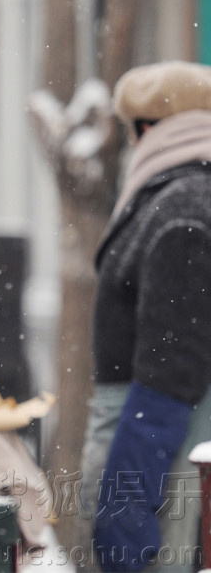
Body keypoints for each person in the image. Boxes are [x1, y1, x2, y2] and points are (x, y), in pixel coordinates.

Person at [80, 60, 211, 572]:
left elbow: (170, 371)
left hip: (159, 444)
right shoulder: (187, 199)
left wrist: (127, 503)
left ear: (151, 130)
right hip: (164, 433)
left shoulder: (181, 209)